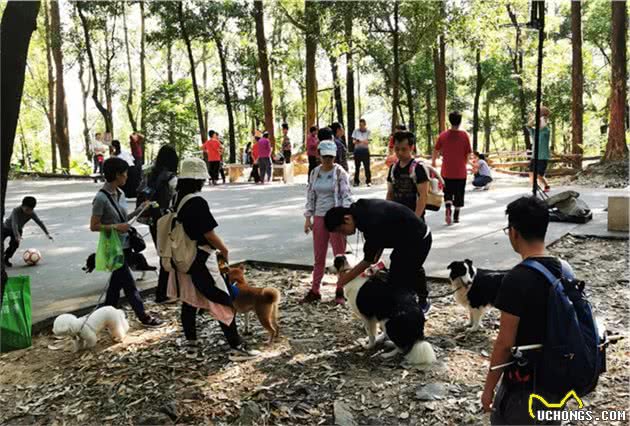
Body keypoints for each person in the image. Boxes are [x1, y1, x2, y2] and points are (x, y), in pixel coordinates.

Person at [482, 196, 567, 424]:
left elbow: (504, 344)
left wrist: (488, 389)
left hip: (524, 386)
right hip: (558, 378)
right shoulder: (565, 269)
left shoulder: (517, 278)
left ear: (514, 232)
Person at [168, 157, 259, 359]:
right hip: (200, 258)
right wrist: (224, 251)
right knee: (222, 300)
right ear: (198, 180)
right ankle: (236, 346)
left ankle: (191, 344)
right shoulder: (196, 202)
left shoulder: (177, 200)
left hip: (182, 259)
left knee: (189, 301)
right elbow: (209, 234)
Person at [324, 199, 433, 314]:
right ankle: (410, 304)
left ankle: (414, 308)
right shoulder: (360, 210)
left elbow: (368, 260)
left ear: (347, 219)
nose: (343, 234)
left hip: (418, 238)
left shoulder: (370, 221)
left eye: (341, 230)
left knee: (400, 279)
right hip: (404, 239)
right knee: (402, 268)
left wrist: (343, 280)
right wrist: (373, 262)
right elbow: (377, 246)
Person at [90, 157, 162, 327]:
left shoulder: (120, 194)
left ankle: (106, 316)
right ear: (116, 175)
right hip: (112, 247)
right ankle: (144, 317)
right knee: (129, 285)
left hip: (126, 244)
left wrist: (139, 210)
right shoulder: (100, 198)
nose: (127, 177)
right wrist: (115, 227)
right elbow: (94, 226)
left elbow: (124, 220)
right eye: (125, 174)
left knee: (115, 286)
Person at [301, 132, 353, 305]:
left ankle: (340, 290)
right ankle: (315, 290)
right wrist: (308, 218)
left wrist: (345, 216)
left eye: (331, 157)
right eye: (325, 157)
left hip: (336, 219)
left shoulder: (340, 173)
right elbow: (311, 195)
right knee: (319, 256)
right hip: (320, 217)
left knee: (340, 255)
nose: (328, 161)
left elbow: (346, 195)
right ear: (319, 156)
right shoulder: (315, 173)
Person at [143, 145, 178, 303]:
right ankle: (163, 293)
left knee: (162, 253)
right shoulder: (171, 178)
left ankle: (166, 290)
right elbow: (175, 199)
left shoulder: (150, 173)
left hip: (152, 218)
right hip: (167, 219)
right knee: (169, 255)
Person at [432, 111, 472, 225]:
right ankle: (456, 216)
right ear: (460, 121)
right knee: (459, 194)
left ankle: (448, 207)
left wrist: (434, 162)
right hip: (460, 172)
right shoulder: (465, 135)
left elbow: (436, 150)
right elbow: (469, 153)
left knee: (447, 192)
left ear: (450, 120)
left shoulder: (443, 135)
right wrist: (466, 162)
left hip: (446, 171)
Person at [386, 131, 430, 219]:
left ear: (411, 148)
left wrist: (415, 219)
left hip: (414, 217)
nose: (400, 152)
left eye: (404, 149)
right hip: (397, 217)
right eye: (397, 149)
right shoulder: (393, 168)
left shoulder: (418, 168)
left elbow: (423, 196)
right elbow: (390, 193)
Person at [2, 196, 53, 267]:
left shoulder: (31, 213)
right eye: (27, 209)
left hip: (18, 229)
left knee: (14, 245)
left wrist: (47, 234)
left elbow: (40, 223)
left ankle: (6, 258)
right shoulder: (16, 210)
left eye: (31, 209)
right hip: (6, 228)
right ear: (22, 206)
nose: (28, 211)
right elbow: (14, 224)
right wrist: (17, 236)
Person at [528, 107, 551, 193]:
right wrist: (534, 117)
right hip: (535, 156)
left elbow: (543, 122)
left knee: (538, 174)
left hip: (542, 157)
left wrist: (541, 114)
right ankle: (536, 186)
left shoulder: (546, 131)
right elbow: (528, 125)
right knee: (531, 173)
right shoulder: (535, 132)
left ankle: (546, 185)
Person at [352, 118, 371, 187]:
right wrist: (362, 141)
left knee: (367, 167)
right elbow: (353, 142)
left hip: (365, 151)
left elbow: (368, 142)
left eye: (362, 125)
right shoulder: (355, 131)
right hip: (357, 151)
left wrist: (359, 141)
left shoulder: (368, 132)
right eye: (360, 125)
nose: (361, 126)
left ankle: (368, 181)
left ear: (365, 125)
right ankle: (356, 181)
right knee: (357, 167)